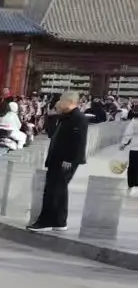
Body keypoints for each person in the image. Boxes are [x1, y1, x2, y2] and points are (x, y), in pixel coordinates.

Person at [27, 93, 89, 231]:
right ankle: (59, 221)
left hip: (66, 160)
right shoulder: (65, 117)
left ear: (70, 101)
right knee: (56, 189)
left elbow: (79, 142)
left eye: (60, 101)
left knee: (55, 190)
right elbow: (52, 133)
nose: (58, 104)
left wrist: (70, 159)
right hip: (56, 158)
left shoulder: (78, 118)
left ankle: (47, 221)